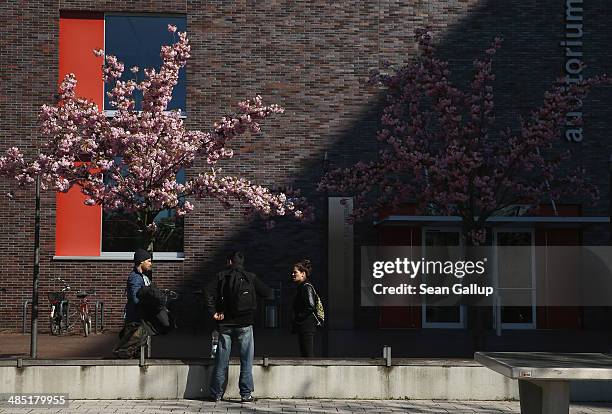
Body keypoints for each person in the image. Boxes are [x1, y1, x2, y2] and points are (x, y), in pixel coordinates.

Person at [206, 251, 274, 403]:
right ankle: (245, 394)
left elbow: (207, 292)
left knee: (221, 360)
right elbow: (268, 293)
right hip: (245, 323)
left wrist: (214, 313)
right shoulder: (250, 277)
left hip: (225, 324)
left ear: (229, 261)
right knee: (246, 360)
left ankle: (216, 394)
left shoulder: (221, 276)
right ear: (242, 263)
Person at [113, 248, 153, 358]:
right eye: (149, 261)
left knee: (136, 348)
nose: (151, 263)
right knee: (129, 348)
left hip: (139, 317)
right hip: (135, 319)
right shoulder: (135, 278)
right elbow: (135, 298)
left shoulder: (142, 276)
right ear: (141, 261)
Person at [291, 259, 319, 357]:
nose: (293, 274)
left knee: (308, 356)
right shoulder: (301, 287)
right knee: (305, 355)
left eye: (295, 272)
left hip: (307, 326)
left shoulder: (306, 287)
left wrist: (299, 317)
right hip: (304, 326)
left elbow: (311, 306)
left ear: (303, 274)